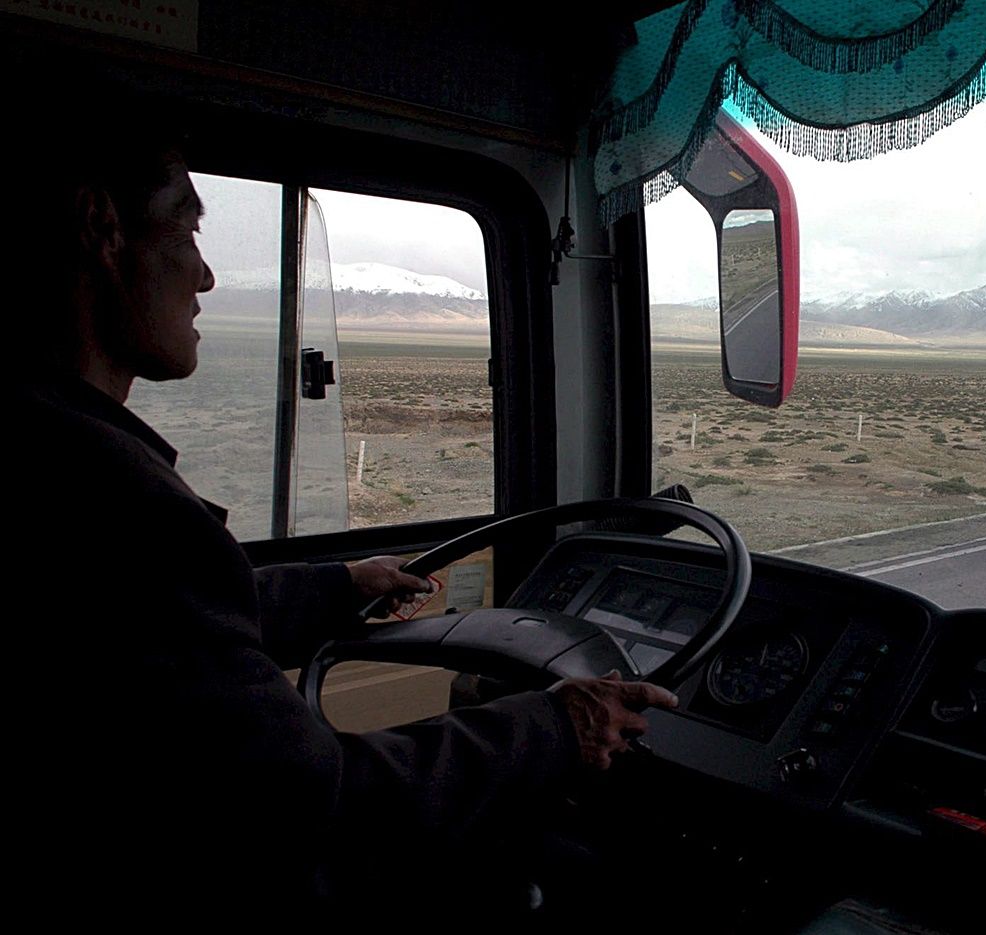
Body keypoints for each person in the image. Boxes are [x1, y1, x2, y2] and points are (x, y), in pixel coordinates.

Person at [6, 94, 677, 912]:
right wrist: (553, 729)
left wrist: (336, 585)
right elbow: (313, 799)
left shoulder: (49, 460)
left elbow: (157, 626)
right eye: (185, 231)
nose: (206, 274)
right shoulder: (115, 500)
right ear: (102, 231)